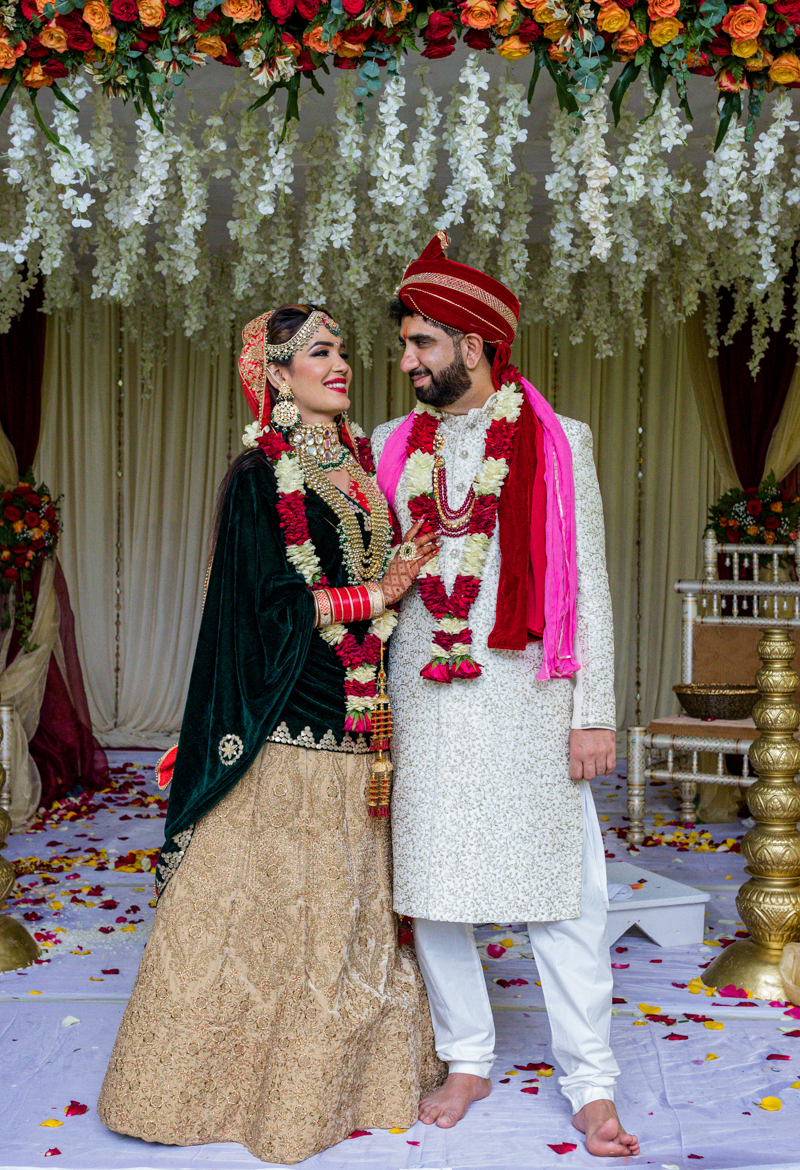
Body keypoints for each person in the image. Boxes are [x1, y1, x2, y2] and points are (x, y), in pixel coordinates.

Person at [97, 305, 444, 1165]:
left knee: (345, 905)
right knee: (269, 901)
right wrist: (385, 591)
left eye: (342, 352)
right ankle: (207, 1085)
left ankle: (340, 1082)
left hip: (364, 711)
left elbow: (369, 580)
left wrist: (395, 591)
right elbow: (265, 608)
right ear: (276, 374)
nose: (341, 365)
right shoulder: (261, 475)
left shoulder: (361, 468)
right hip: (287, 716)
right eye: (319, 353)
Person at [372, 234, 640, 1159]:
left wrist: (594, 711)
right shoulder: (387, 447)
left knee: (563, 893)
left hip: (528, 694)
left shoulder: (560, 443)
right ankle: (469, 1058)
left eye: (422, 344)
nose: (406, 362)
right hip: (422, 695)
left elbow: (589, 583)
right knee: (433, 886)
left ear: (476, 345)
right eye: (405, 345)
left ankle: (591, 1084)